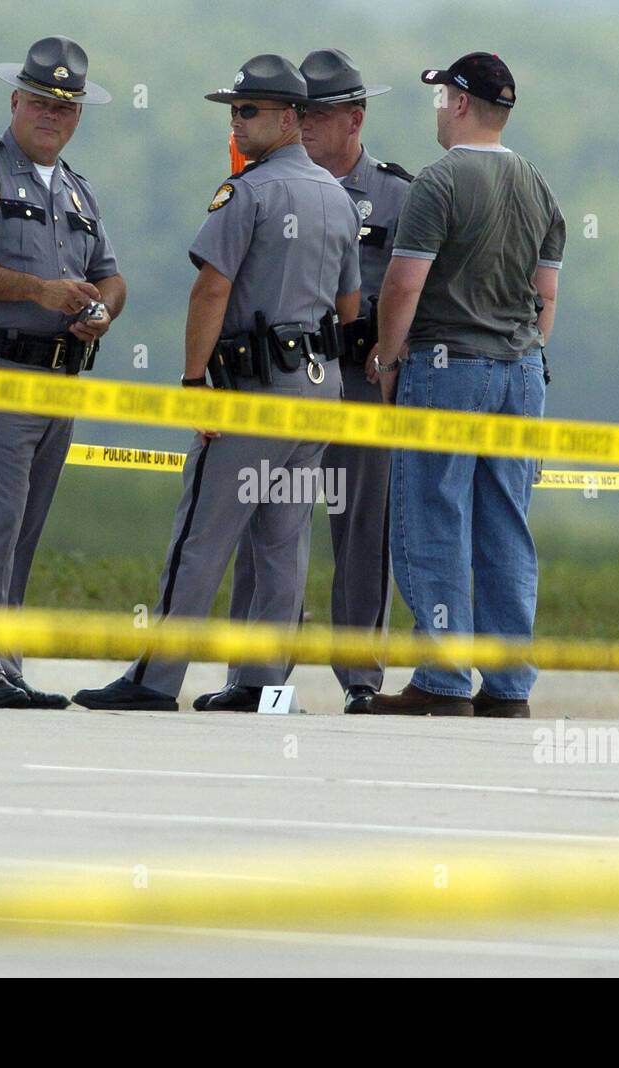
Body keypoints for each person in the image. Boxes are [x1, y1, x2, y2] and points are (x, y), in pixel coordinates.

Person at [74, 54, 361, 713]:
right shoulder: (336, 197)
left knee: (204, 534)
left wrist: (194, 379)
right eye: (234, 110)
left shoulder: (249, 192)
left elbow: (212, 287)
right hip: (318, 392)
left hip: (252, 390)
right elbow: (350, 308)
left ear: (289, 118)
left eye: (249, 110)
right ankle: (264, 686)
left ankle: (155, 678)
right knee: (285, 542)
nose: (237, 120)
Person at [0, 36, 126, 709]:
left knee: (26, 527)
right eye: (41, 101)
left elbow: (111, 276)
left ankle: (7, 666)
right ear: (16, 100)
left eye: (65, 107)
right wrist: (34, 291)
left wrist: (101, 311)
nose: (52, 115)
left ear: (78, 117)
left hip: (61, 377)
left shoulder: (78, 191)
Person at [365, 52, 565, 718]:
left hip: (447, 365)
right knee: (507, 526)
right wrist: (525, 358)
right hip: (520, 370)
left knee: (433, 516)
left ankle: (444, 679)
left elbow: (403, 284)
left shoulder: (440, 182)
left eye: (439, 98)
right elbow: (546, 298)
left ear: (456, 102)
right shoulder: (539, 185)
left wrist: (387, 358)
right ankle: (509, 688)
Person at [217, 48, 413, 716]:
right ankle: (263, 672)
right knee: (271, 526)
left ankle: (361, 678)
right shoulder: (265, 182)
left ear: (354, 120)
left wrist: (394, 356)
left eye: (318, 117)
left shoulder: (396, 195)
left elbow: (416, 290)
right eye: (299, 114)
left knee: (362, 531)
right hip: (284, 379)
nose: (303, 126)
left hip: (359, 381)